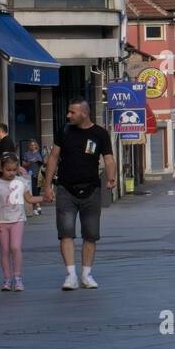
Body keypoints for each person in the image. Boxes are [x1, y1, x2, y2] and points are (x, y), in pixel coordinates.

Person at [42, 99, 114, 291]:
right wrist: (47, 185)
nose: (68, 116)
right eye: (68, 112)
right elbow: (53, 158)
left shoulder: (100, 133)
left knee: (90, 234)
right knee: (65, 232)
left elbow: (108, 157)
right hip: (65, 189)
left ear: (84, 113)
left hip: (91, 189)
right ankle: (71, 275)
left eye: (72, 112)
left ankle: (86, 274)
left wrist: (111, 177)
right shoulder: (64, 131)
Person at [0, 153, 42, 291]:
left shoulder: (21, 182)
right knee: (5, 250)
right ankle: (7, 279)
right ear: (1, 168)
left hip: (18, 220)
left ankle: (18, 278)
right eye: (8, 170)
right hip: (2, 221)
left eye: (14, 169)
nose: (11, 173)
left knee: (15, 247)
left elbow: (30, 199)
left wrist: (44, 198)